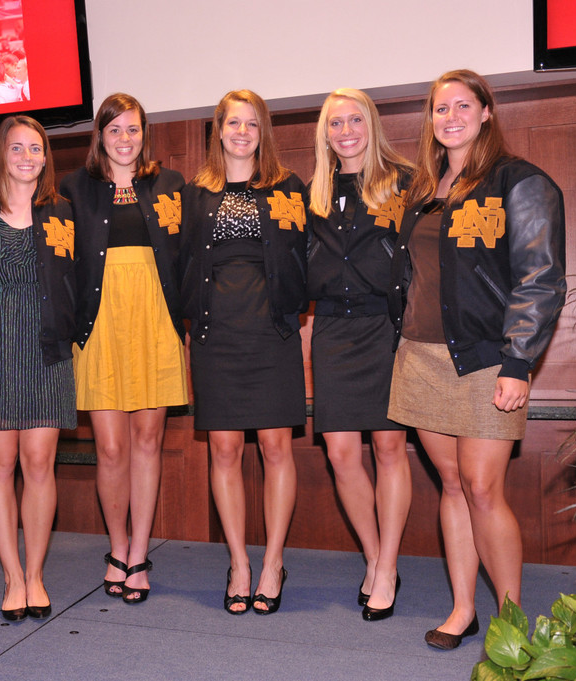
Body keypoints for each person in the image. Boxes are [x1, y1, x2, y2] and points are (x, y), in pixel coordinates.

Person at [387, 70, 565, 649]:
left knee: (483, 488)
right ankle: (462, 609)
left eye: (464, 106)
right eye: (441, 109)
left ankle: (512, 622)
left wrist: (519, 362)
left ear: (486, 112)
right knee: (452, 485)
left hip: (488, 357)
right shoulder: (423, 189)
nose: (452, 117)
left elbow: (541, 279)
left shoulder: (520, 181)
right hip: (421, 356)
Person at [180, 90, 309, 615]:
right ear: (218, 130)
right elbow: (178, 260)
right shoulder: (194, 193)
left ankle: (273, 562)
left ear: (263, 133)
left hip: (271, 334)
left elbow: (304, 254)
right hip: (216, 337)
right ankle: (239, 563)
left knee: (277, 449)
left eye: (252, 124)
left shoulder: (287, 186)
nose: (241, 132)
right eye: (233, 123)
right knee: (225, 451)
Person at [60, 93, 187, 605]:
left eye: (133, 129)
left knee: (148, 442)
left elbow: (188, 254)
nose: (124, 139)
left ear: (144, 134)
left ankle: (138, 552)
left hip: (154, 317)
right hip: (99, 321)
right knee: (111, 448)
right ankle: (116, 547)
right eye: (114, 130)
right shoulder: (74, 187)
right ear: (100, 136)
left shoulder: (170, 184)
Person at [0, 116, 77, 621]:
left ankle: (35, 574)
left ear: (46, 157)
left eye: (35, 148)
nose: (27, 157)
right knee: (0, 464)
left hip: (47, 350)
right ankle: (11, 574)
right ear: (1, 155)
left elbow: (80, 279)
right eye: (17, 148)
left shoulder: (63, 212)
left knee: (39, 463)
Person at [307, 89, 413, 621]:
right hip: (331, 329)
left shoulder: (405, 182)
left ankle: (387, 566)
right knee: (341, 454)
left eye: (355, 120)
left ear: (372, 125)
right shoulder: (313, 192)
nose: (345, 131)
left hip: (386, 329)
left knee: (390, 449)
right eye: (335, 123)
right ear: (325, 133)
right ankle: (374, 556)